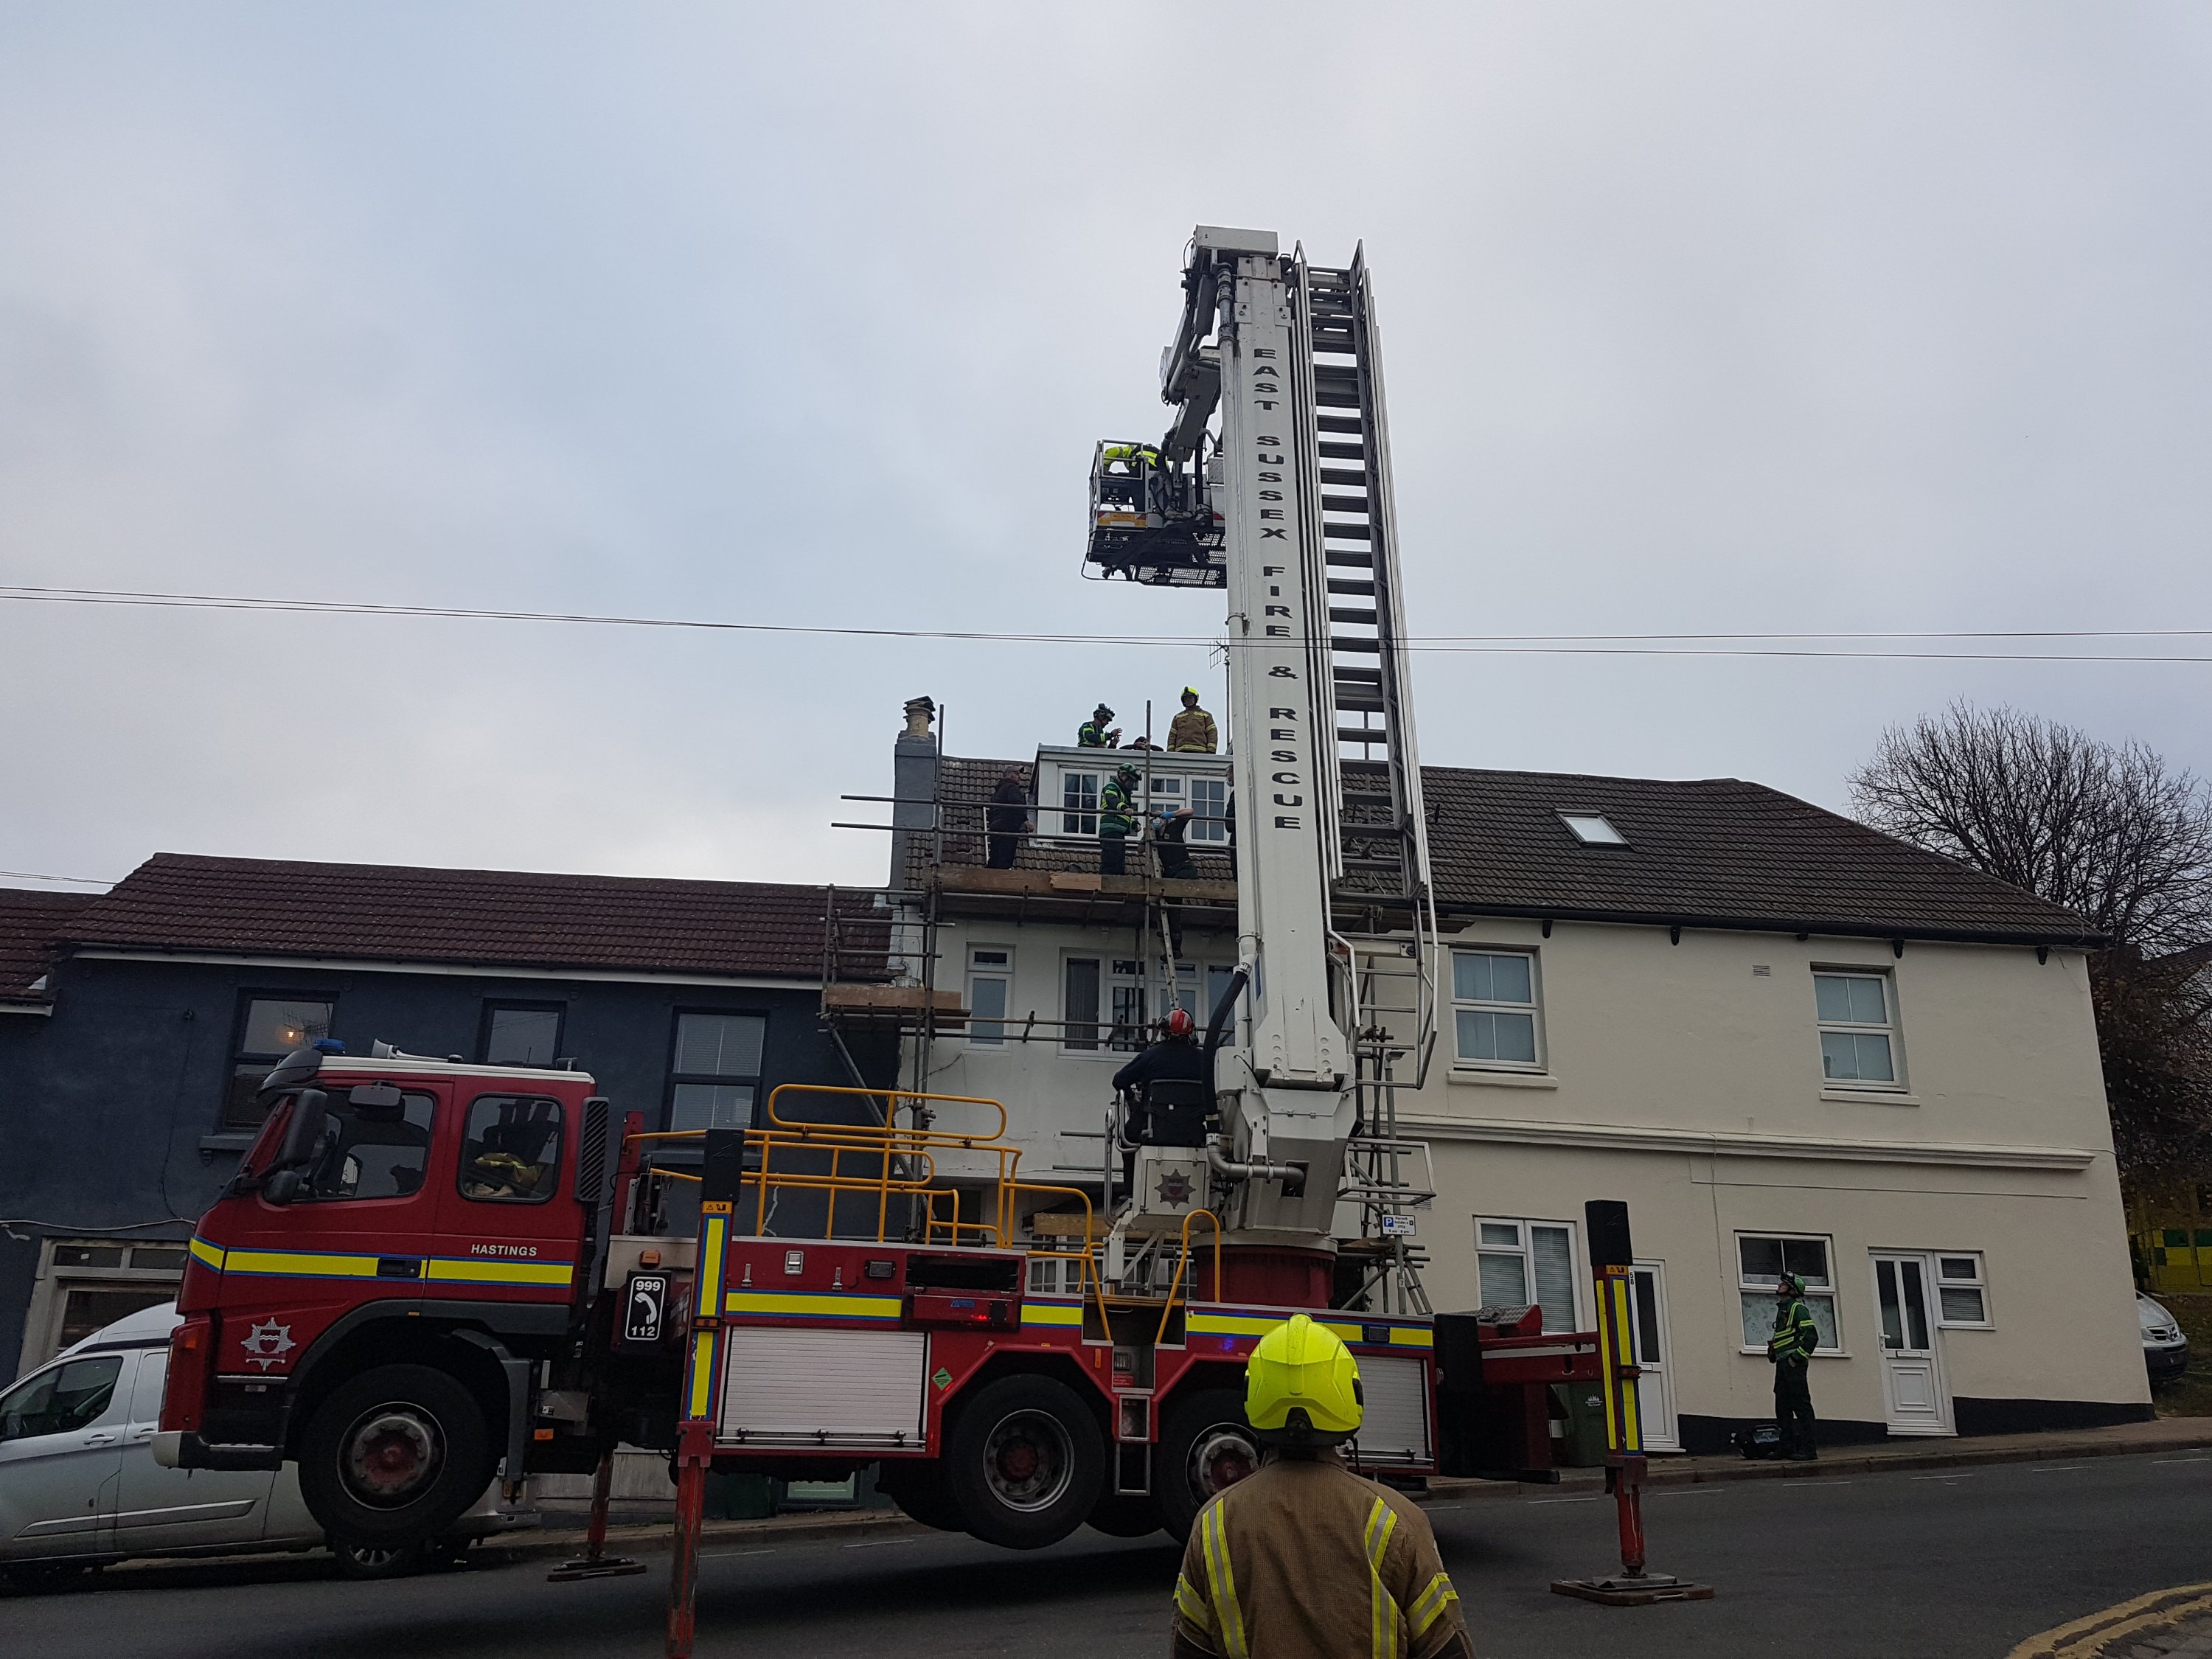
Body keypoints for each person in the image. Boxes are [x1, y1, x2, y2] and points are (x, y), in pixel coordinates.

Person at [1170, 1315, 1472, 1659]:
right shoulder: (1397, 1520)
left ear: (1253, 1395)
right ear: (1350, 1395)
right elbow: (1446, 1649)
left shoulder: (1213, 1523)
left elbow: (1190, 1648)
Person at [1767, 1272, 1821, 1461]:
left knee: (1801, 1407)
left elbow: (1811, 1336)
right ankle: (1787, 1448)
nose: (1780, 1285)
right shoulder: (1783, 1309)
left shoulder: (1797, 1308)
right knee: (1782, 1407)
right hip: (1783, 1364)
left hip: (1793, 1365)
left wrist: (1796, 1358)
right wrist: (1774, 1351)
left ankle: (1809, 1451)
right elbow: (1786, 1337)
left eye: (1784, 1284)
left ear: (1791, 1289)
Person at [986, 767, 1032, 870]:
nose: (1020, 777)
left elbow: (991, 812)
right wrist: (1026, 820)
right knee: (1005, 858)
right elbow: (1017, 804)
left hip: (996, 826)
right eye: (1017, 774)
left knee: (995, 856)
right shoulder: (1012, 788)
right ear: (1008, 775)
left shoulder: (997, 793)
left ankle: (990, 877)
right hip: (1008, 825)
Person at [1098, 763, 1138, 876]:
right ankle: (1106, 882)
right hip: (1110, 830)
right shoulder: (1112, 787)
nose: (1131, 784)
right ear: (1122, 776)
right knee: (1111, 859)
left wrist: (1134, 824)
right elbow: (1111, 800)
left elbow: (1124, 817)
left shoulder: (1124, 794)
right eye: (1130, 780)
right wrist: (1124, 807)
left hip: (1118, 831)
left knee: (1119, 860)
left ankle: (1117, 879)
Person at [1168, 687, 1218, 754]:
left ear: (1195, 699)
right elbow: (1172, 735)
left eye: (1190, 698)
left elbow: (1212, 733)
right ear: (1183, 701)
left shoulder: (1205, 715)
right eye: (1186, 699)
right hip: (1180, 752)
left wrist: (1211, 750)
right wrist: (1170, 752)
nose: (1188, 700)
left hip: (1200, 751)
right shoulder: (1178, 717)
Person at [1153, 803, 1196, 880]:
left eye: (1160, 818)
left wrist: (1172, 814)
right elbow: (1140, 850)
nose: (1158, 820)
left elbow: (1190, 811)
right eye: (1155, 818)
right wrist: (1147, 833)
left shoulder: (1174, 827)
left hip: (1183, 867)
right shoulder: (1155, 835)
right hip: (1169, 871)